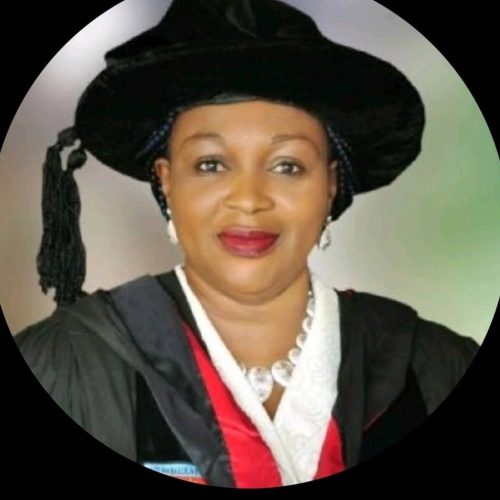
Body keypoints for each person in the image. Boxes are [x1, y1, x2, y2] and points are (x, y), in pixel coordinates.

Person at [14, 0, 480, 488]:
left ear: (330, 184)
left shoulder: (433, 368)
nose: (250, 200)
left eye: (288, 166)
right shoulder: (68, 366)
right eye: (211, 164)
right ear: (167, 181)